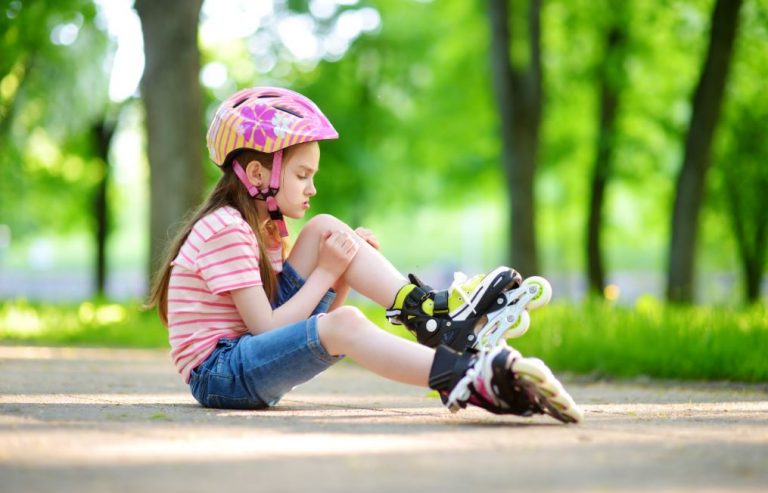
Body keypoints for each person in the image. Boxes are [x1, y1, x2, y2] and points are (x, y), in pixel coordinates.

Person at [146, 86, 583, 423]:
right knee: (347, 318)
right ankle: (464, 377)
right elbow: (266, 328)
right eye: (302, 175)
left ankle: (430, 314)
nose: (311, 187)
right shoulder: (225, 228)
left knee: (326, 231)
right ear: (258, 174)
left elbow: (309, 329)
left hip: (248, 357)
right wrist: (328, 274)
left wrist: (340, 278)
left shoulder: (263, 230)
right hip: (221, 374)